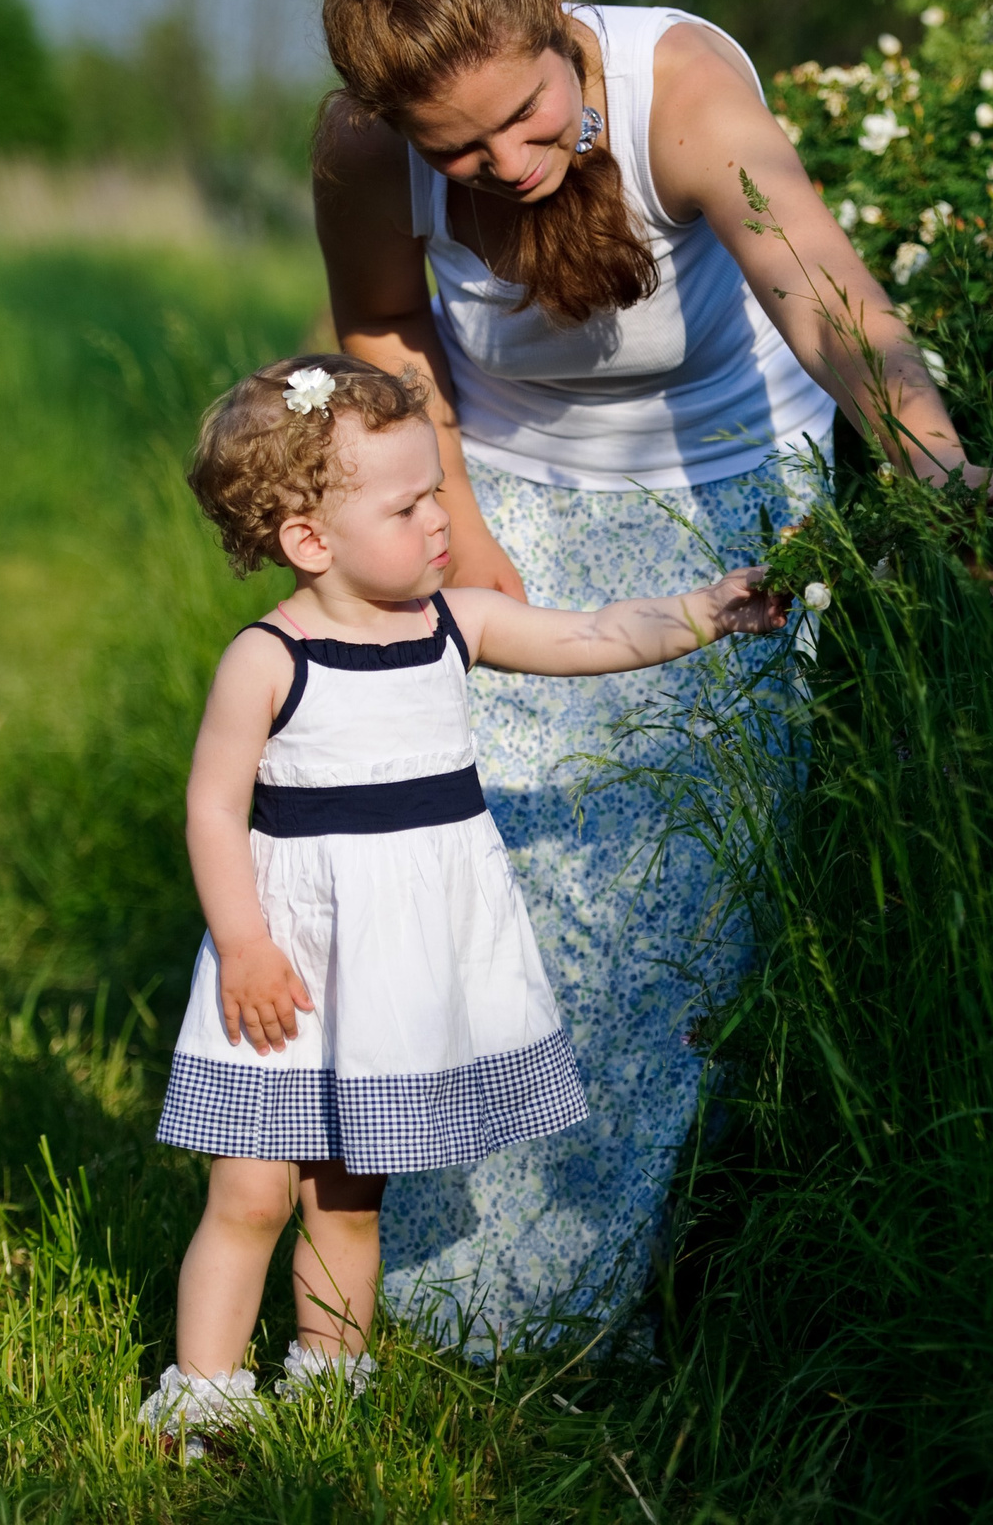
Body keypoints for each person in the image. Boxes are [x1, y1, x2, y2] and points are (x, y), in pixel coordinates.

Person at [314, 0, 993, 1349]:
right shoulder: (357, 150)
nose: (506, 169)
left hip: (717, 508)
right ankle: (426, 1298)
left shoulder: (682, 93)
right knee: (472, 876)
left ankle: (583, 1306)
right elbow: (384, 337)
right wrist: (461, 536)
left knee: (652, 905)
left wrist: (944, 477)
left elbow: (829, 300)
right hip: (495, 496)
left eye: (524, 118)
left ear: (554, 17)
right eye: (460, 156)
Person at [137, 354, 786, 1440]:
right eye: (408, 504)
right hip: (285, 964)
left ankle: (327, 1383)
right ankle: (201, 1400)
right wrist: (242, 945)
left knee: (350, 1199)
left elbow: (589, 634)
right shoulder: (268, 658)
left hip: (391, 971)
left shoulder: (455, 623)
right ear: (310, 542)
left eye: (438, 488)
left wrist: (703, 612)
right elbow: (212, 812)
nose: (441, 519)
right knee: (250, 1194)